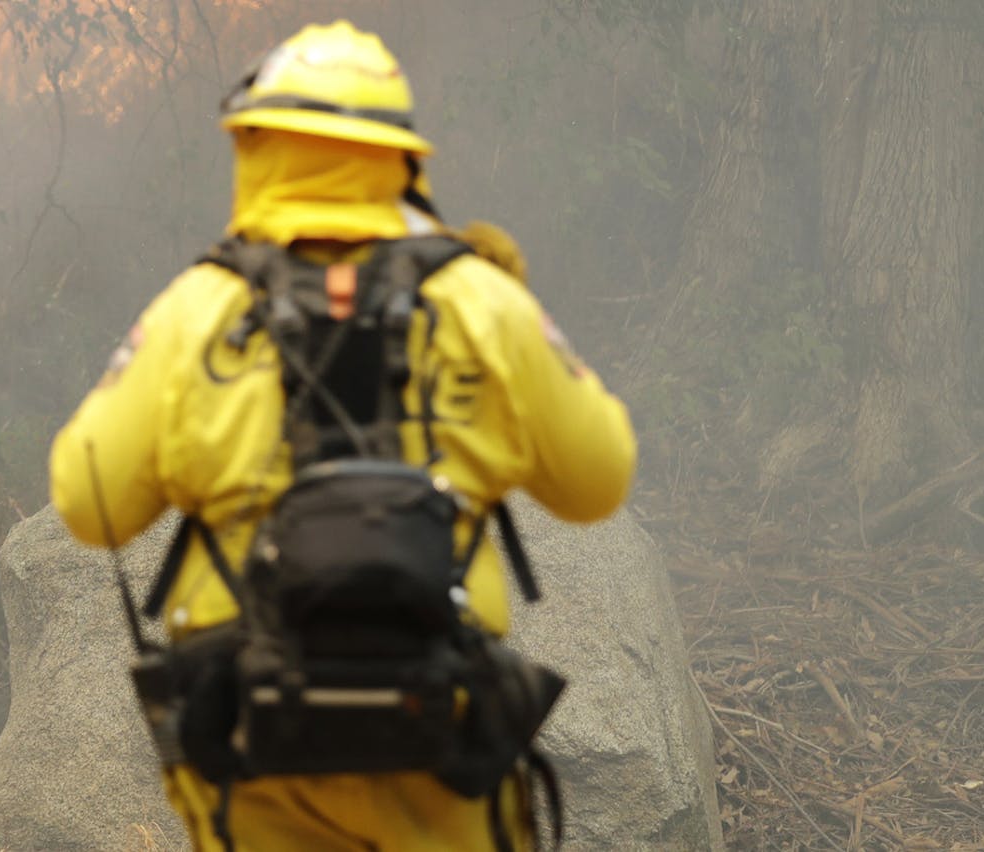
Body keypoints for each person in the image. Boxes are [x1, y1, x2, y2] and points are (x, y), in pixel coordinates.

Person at [46, 19, 636, 852]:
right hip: (442, 734)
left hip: (256, 748)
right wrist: (512, 331)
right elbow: (599, 478)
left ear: (254, 148)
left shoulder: (196, 312)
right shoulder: (480, 300)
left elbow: (84, 503)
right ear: (399, 157)